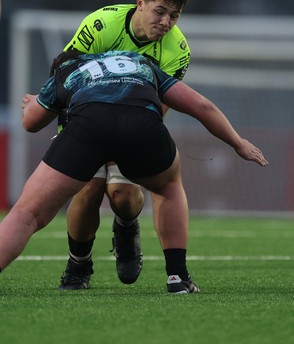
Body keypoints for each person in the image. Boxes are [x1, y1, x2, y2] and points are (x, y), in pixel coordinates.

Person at [9, 49, 267, 295]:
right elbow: (201, 106)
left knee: (26, 213)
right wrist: (237, 142)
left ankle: (91, 256)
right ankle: (178, 277)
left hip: (88, 125)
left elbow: (31, 123)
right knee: (167, 187)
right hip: (141, 123)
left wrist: (37, 102)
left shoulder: (67, 70)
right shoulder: (139, 61)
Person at [57, 0, 192, 290]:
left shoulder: (178, 51)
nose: (166, 22)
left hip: (132, 122)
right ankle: (79, 267)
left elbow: (159, 107)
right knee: (88, 189)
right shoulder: (102, 24)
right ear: (140, 3)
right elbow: (65, 73)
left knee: (124, 198)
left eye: (174, 16)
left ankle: (126, 226)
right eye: (160, 11)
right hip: (85, 118)